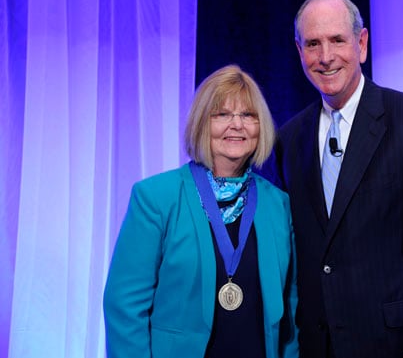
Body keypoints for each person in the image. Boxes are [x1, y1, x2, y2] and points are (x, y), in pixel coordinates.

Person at [268, 0, 403, 358]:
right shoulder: (289, 139)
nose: (325, 57)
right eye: (313, 44)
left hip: (399, 347)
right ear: (299, 52)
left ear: (361, 44)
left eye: (337, 41)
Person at [103, 64, 299, 358]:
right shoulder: (156, 198)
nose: (237, 124)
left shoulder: (278, 204)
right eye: (222, 114)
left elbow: (291, 310)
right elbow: (124, 307)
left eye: (248, 115)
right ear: (201, 123)